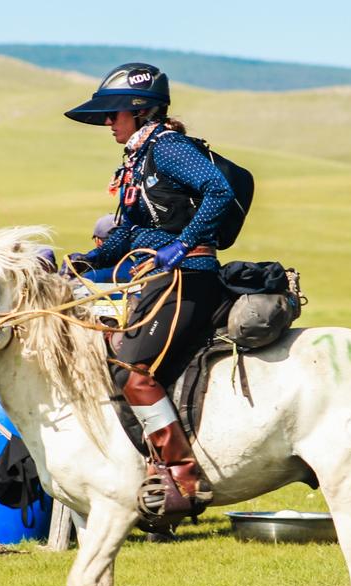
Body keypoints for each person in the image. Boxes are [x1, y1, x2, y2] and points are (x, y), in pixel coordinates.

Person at [63, 62, 236, 522]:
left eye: (113, 114)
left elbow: (218, 190)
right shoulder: (136, 159)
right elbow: (129, 231)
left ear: (140, 111)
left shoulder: (170, 148)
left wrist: (182, 244)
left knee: (131, 369)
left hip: (188, 276)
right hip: (156, 276)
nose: (107, 123)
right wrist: (86, 260)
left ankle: (183, 477)